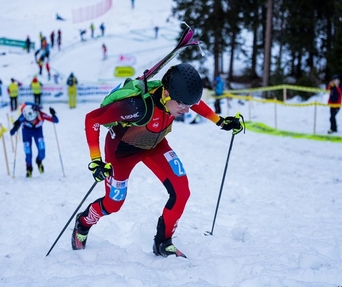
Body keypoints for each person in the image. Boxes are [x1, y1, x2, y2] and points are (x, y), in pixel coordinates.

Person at [71, 63, 243, 258]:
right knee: (114, 203)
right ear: (167, 93)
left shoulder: (177, 97)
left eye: (189, 105)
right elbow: (92, 119)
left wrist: (219, 121)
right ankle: (83, 223)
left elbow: (194, 103)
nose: (187, 110)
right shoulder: (136, 107)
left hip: (155, 146)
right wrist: (96, 160)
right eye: (182, 104)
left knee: (181, 191)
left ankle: (163, 242)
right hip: (122, 153)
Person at [9, 102, 59, 178]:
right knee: (28, 152)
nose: (32, 121)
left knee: (42, 151)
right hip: (26, 133)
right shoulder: (23, 116)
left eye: (34, 119)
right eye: (30, 120)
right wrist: (14, 128)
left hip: (38, 131)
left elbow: (56, 121)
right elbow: (14, 129)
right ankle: (29, 168)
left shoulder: (40, 114)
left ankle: (39, 161)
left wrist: (53, 114)